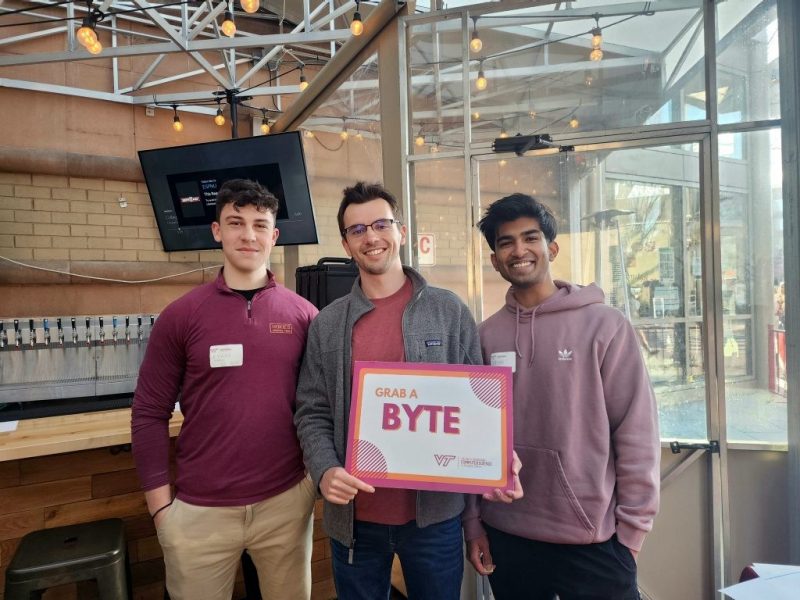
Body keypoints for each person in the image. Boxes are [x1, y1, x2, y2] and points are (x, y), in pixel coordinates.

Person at [294, 182, 485, 600]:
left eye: (381, 224)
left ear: (401, 230)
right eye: (357, 229)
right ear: (346, 244)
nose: (371, 237)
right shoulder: (327, 324)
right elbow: (311, 411)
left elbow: (480, 408)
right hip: (356, 522)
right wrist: (325, 469)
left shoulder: (448, 311)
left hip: (435, 519)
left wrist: (491, 468)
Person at [464, 193, 660, 600]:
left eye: (530, 238)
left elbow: (636, 431)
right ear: (495, 260)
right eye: (505, 243)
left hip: (593, 539)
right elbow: (472, 438)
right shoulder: (484, 336)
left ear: (551, 248)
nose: (519, 250)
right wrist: (475, 523)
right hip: (507, 535)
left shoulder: (604, 326)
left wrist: (632, 533)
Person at [131, 179, 318, 600]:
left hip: (286, 505)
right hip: (199, 512)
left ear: (274, 236)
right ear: (217, 231)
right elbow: (148, 413)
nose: (247, 235)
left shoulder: (304, 315)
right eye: (235, 222)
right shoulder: (181, 316)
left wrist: (309, 486)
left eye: (259, 224)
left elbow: (320, 405)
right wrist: (162, 511)